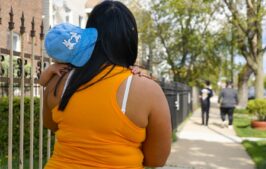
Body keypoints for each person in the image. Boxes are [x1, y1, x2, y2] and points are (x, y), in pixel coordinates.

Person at [43, 1, 172, 169]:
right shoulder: (148, 90)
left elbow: (50, 125)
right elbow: (156, 160)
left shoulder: (59, 78)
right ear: (130, 39)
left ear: (88, 35)